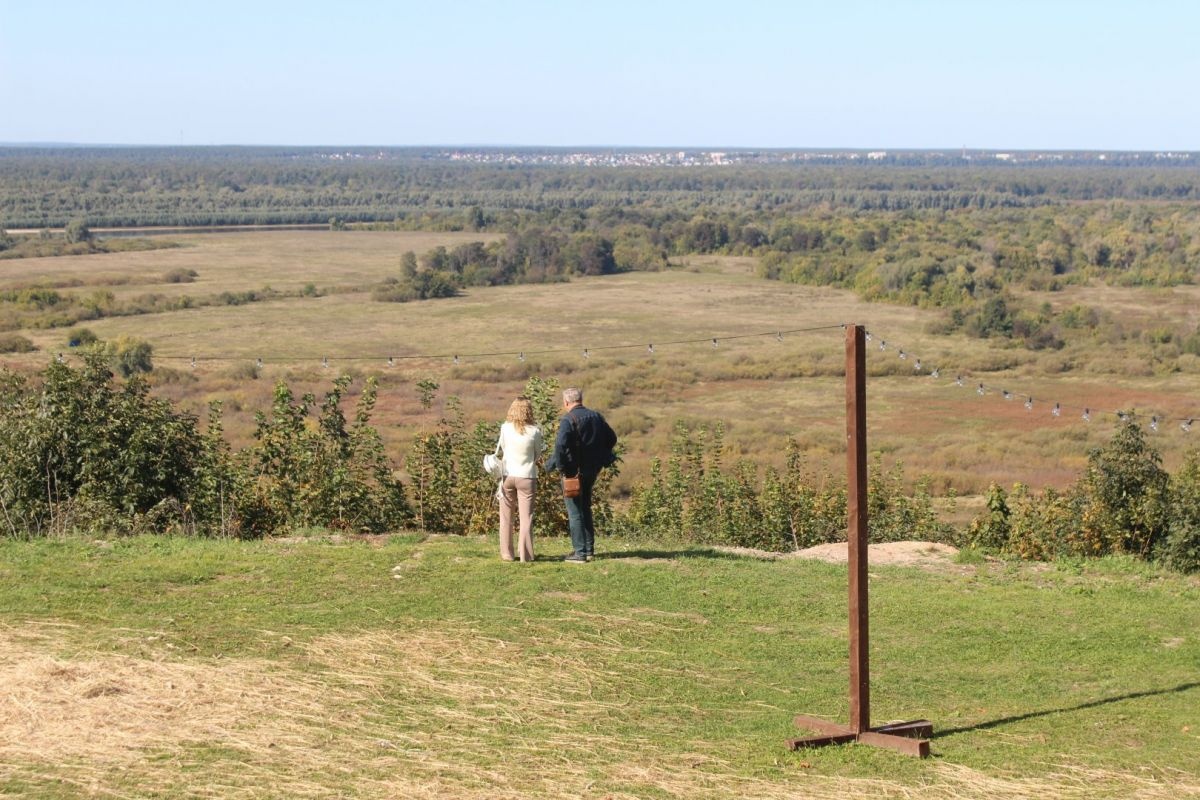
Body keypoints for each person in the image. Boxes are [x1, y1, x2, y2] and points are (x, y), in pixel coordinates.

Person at [545, 387, 618, 563]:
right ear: (580, 399)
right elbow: (612, 438)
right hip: (592, 469)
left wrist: (561, 466)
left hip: (573, 472)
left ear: (566, 402)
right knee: (585, 507)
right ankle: (589, 549)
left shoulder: (568, 419)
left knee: (574, 511)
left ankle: (580, 553)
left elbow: (560, 446)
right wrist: (597, 454)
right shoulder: (596, 416)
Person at [496, 396, 546, 562]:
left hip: (508, 475)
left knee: (506, 517)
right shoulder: (535, 431)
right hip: (527, 476)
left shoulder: (505, 428)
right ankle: (526, 555)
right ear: (529, 411)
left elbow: (503, 448)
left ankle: (507, 554)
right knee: (526, 518)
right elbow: (537, 454)